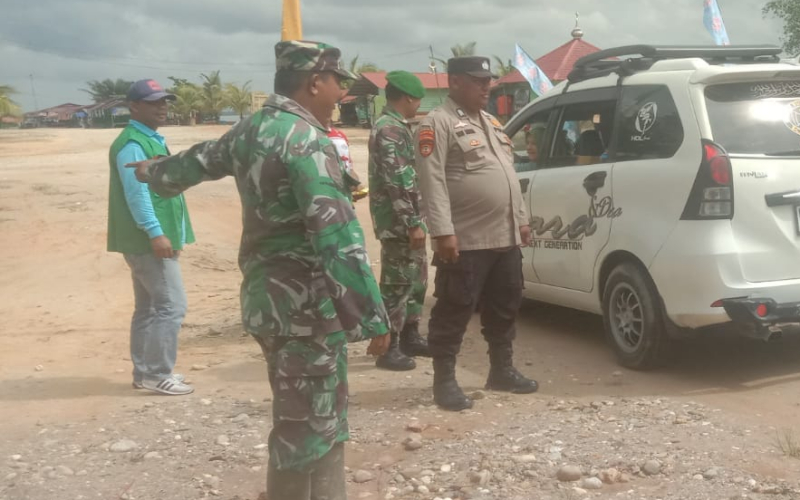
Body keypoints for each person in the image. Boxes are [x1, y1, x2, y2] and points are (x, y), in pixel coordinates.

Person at [128, 40, 390, 500]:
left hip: (269, 305)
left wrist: (151, 170)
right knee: (304, 429)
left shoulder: (252, 129)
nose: (341, 94)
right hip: (307, 312)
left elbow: (194, 164)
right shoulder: (306, 141)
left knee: (317, 416)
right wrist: (372, 317)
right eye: (336, 83)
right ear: (313, 82)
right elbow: (338, 238)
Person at [414, 56, 539, 412]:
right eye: (477, 80)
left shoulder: (490, 122)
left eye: (488, 80)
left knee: (506, 305)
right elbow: (431, 180)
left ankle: (501, 371)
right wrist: (442, 232)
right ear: (455, 82)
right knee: (454, 309)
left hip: (505, 236)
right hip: (466, 239)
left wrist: (521, 218)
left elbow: (507, 174)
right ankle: (444, 382)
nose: (486, 86)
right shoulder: (436, 123)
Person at [107, 79, 194, 396]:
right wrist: (156, 233)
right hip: (148, 240)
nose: (163, 107)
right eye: (154, 102)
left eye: (165, 101)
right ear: (134, 106)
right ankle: (158, 374)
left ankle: (145, 372)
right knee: (172, 306)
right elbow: (137, 196)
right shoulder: (133, 143)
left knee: (148, 308)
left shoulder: (149, 139)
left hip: (149, 238)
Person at [368, 70, 431, 371]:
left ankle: (409, 336)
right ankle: (388, 346)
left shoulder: (396, 126)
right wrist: (412, 222)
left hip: (405, 220)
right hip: (398, 223)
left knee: (415, 278)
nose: (419, 104)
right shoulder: (389, 129)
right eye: (418, 99)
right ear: (407, 97)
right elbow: (399, 179)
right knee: (397, 281)